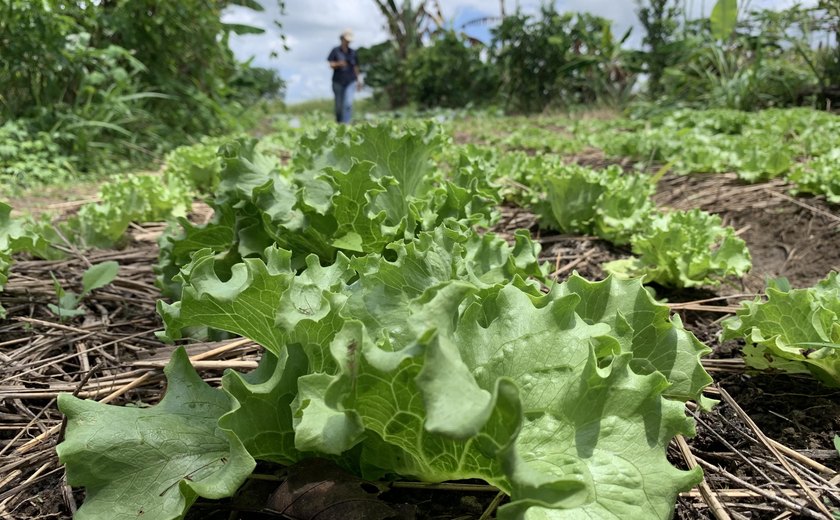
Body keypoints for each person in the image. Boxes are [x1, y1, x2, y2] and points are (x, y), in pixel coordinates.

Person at [327, 29, 361, 124]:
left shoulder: (353, 52)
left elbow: (356, 67)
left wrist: (359, 81)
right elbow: (330, 64)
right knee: (339, 105)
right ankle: (339, 123)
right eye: (346, 40)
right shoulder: (335, 51)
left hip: (351, 81)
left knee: (348, 104)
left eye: (349, 41)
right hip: (338, 81)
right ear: (342, 39)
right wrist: (339, 64)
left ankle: (346, 124)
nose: (347, 42)